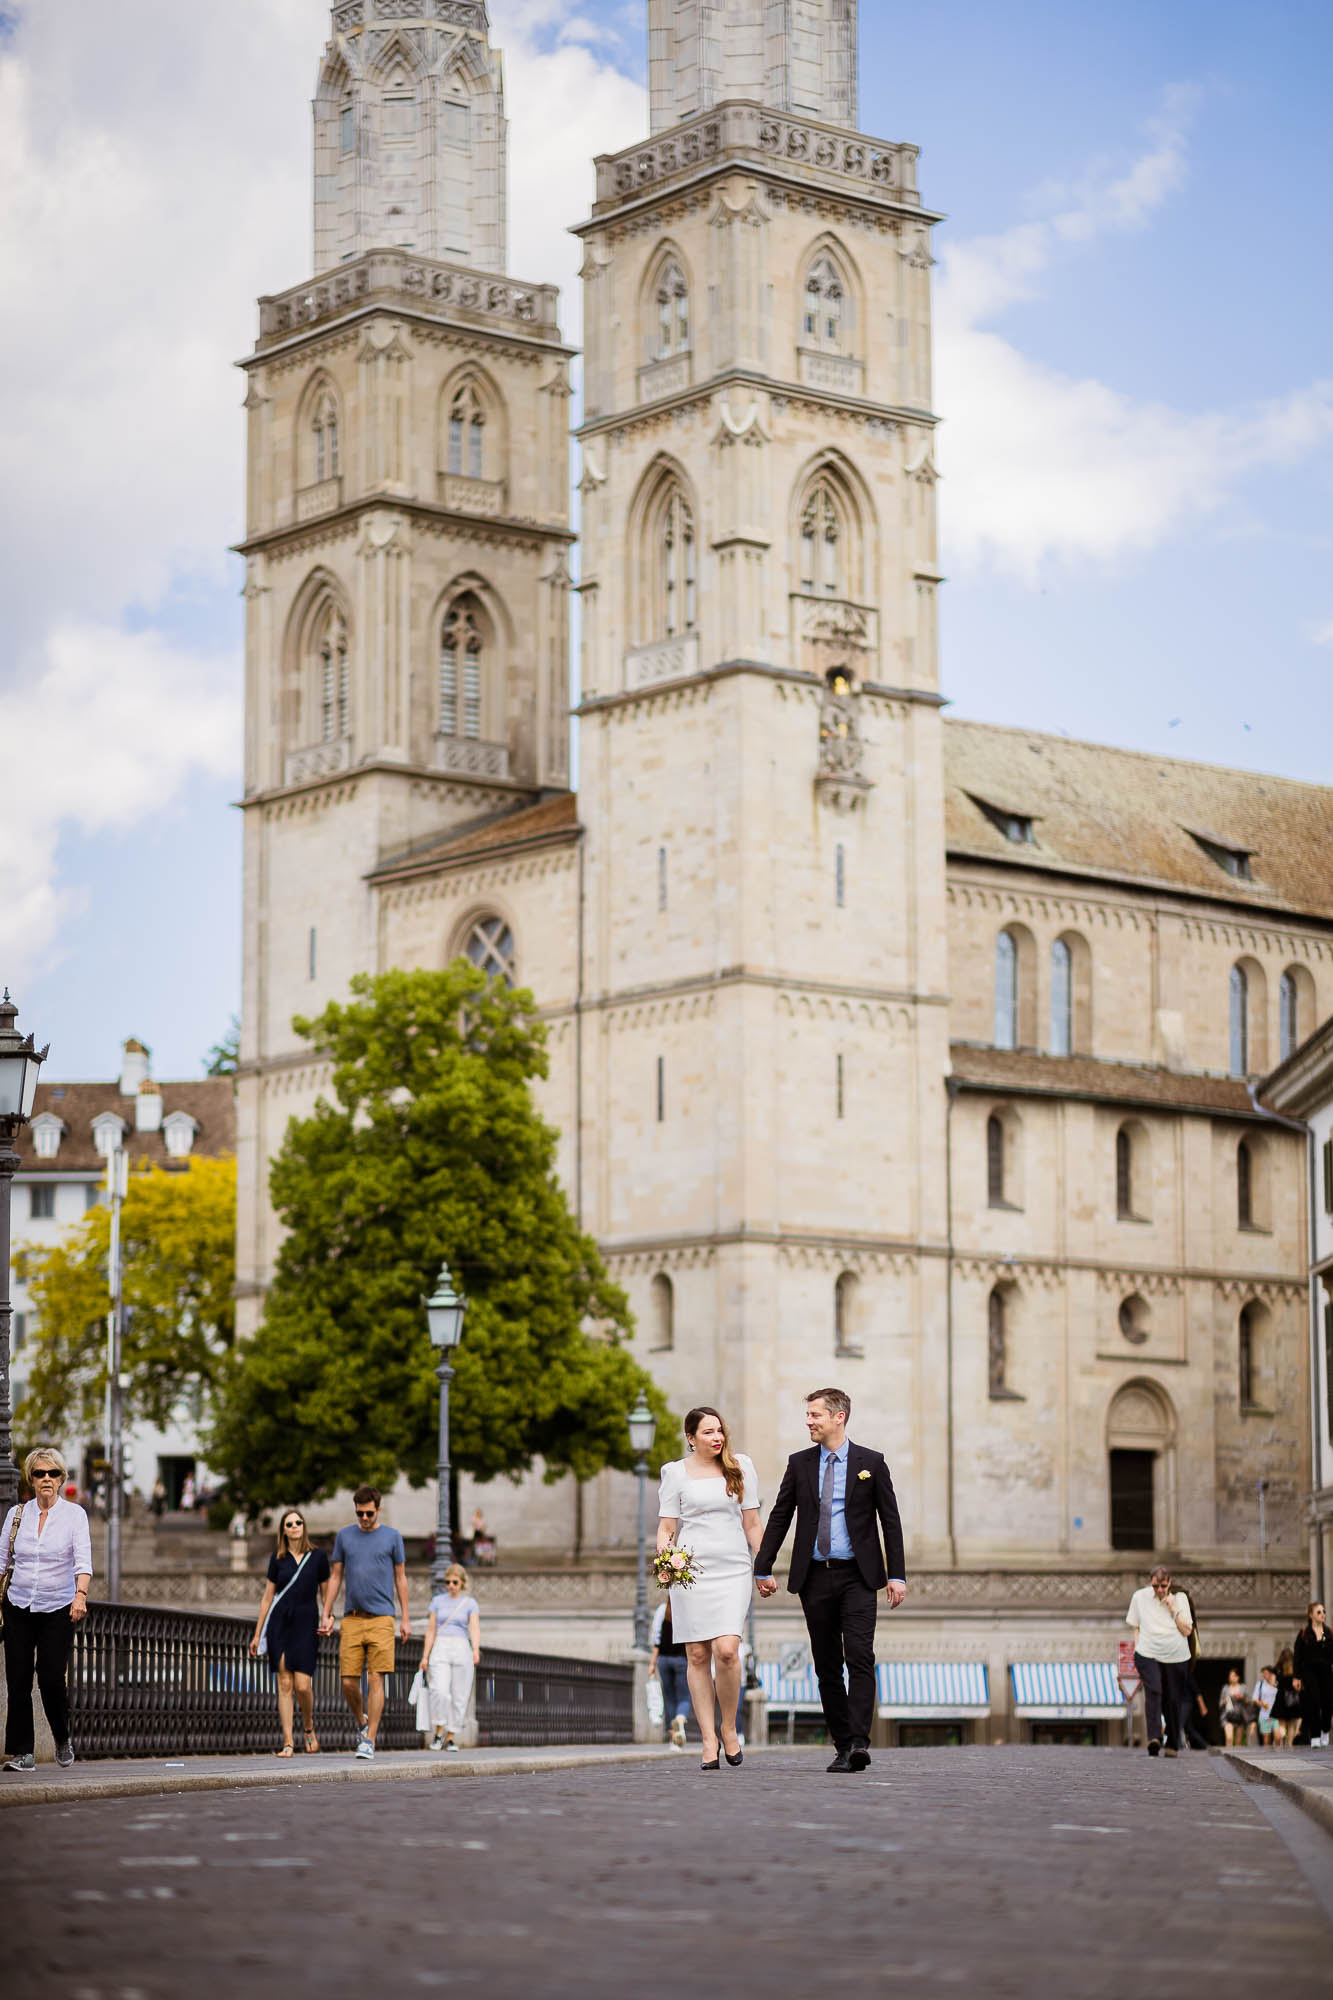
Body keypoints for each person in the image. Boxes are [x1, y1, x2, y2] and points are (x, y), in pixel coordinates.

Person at [754, 1386, 906, 1775]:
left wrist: (897, 1575)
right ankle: (842, 1744)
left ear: (839, 1417)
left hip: (858, 1576)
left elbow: (890, 1521)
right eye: (808, 1415)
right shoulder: (800, 1463)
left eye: (815, 1415)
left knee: (859, 1657)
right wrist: (763, 1566)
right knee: (826, 1665)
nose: (809, 1421)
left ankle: (858, 1741)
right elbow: (781, 1515)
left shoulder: (871, 1461)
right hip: (814, 1578)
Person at [656, 1406, 763, 1770]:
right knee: (698, 1655)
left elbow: (751, 1523)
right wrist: (666, 1559)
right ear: (690, 1438)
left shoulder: (740, 1467)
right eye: (707, 1432)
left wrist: (764, 1565)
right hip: (691, 1571)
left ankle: (729, 1726)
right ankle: (708, 1739)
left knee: (728, 1650)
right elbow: (667, 1527)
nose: (717, 1437)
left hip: (733, 1567)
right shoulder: (675, 1474)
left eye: (719, 1430)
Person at [0, 1447, 92, 1772]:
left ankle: (62, 1738)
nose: (47, 1479)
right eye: (40, 1474)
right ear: (31, 1479)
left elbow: (83, 1561)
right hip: (19, 1605)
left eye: (53, 1473)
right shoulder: (16, 1516)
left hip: (58, 1607)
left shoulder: (74, 1516)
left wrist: (80, 1595)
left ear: (62, 1477)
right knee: (19, 1678)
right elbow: (2, 1563)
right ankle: (23, 1752)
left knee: (51, 1677)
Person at [319, 1485, 410, 1760]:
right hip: (353, 1618)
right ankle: (361, 1720)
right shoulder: (345, 1536)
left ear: (378, 1509)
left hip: (382, 1617)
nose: (364, 1518)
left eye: (369, 1513)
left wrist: (405, 1617)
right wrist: (326, 1611)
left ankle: (369, 1740)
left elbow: (401, 1578)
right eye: (360, 1513)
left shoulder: (393, 1537)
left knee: (376, 1678)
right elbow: (335, 1576)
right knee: (348, 1682)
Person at [248, 1507, 331, 1757]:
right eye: (289, 1524)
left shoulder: (317, 1557)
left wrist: (329, 1617)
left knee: (303, 1685)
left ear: (304, 1527)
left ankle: (308, 1727)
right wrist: (257, 1633)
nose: (294, 1526)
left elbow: (326, 1594)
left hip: (306, 1624)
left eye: (298, 1522)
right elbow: (267, 1598)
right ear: (283, 1530)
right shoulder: (277, 1559)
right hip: (279, 1624)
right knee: (284, 1683)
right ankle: (288, 1742)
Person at [1125, 1565, 1192, 1758]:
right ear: (1150, 1583)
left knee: (1173, 1698)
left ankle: (1172, 1742)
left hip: (1176, 1655)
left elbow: (1186, 1631)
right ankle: (1154, 1738)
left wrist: (1173, 1608)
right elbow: (1135, 1626)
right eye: (1156, 1586)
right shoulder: (1139, 1597)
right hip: (1148, 1653)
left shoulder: (1180, 1599)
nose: (1160, 1590)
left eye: (1163, 1585)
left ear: (1169, 1583)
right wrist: (1137, 1647)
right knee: (1154, 1690)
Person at [419, 1562, 481, 1750]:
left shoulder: (470, 1603)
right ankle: (438, 1731)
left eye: (455, 1582)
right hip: (441, 1645)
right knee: (440, 1691)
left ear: (462, 1583)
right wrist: (425, 1656)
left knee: (460, 1695)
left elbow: (474, 1628)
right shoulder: (437, 1601)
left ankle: (451, 1736)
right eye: (448, 1582)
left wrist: (475, 1650)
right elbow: (431, 1630)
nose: (451, 1586)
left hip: (461, 1645)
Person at [648, 1599, 691, 1749]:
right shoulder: (687, 1608)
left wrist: (652, 1664)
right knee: (684, 1697)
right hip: (681, 1659)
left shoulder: (662, 1609)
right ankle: (680, 1719)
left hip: (664, 1659)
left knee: (669, 1697)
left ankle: (674, 1739)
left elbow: (656, 1639)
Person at [1294, 1600, 1333, 1748]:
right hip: (1309, 1672)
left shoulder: (1327, 1632)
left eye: (1324, 1611)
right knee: (1314, 1703)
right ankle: (1315, 1735)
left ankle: (1325, 1729)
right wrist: (1296, 1677)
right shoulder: (1305, 1633)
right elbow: (1297, 1655)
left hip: (1326, 1672)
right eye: (1319, 1612)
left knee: (1328, 1704)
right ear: (1311, 1615)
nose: (1323, 1614)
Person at [1218, 1669, 1254, 1748]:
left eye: (1234, 1676)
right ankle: (1227, 1758)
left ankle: (1235, 1759)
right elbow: (1220, 1704)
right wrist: (1224, 1701)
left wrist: (1242, 1698)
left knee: (1238, 1742)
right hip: (1228, 1716)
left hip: (1239, 1716)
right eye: (1230, 1676)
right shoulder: (1225, 1688)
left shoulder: (1243, 1687)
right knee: (1229, 1738)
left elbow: (1249, 1702)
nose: (1232, 1678)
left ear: (1238, 1677)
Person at [1253, 1664, 1282, 1746]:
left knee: (1278, 1737)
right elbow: (1255, 1699)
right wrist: (1262, 1704)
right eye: (1263, 1673)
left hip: (1276, 1714)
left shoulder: (1277, 1684)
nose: (1264, 1675)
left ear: (1271, 1674)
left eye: (1265, 1673)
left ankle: (1278, 1754)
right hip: (1264, 1715)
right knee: (1266, 1739)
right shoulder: (1260, 1684)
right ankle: (1267, 1756)